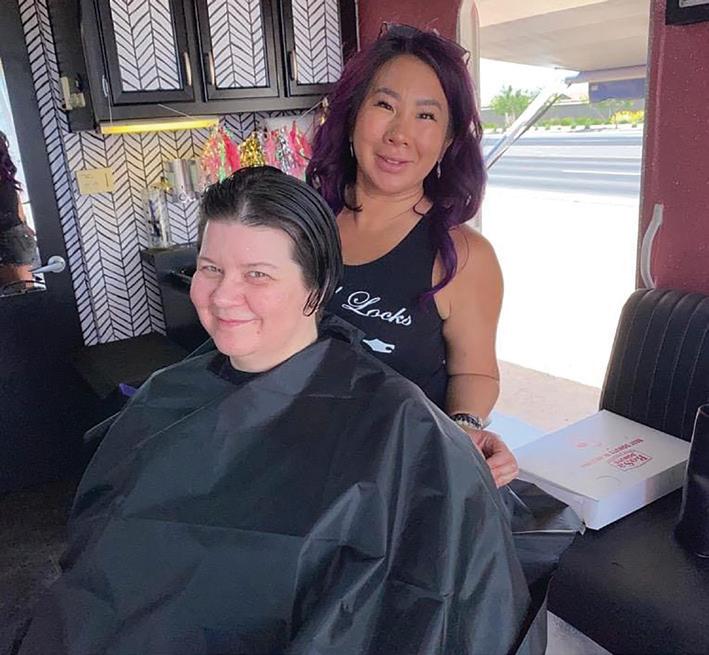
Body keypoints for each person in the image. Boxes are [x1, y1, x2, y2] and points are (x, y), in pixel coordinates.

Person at [16, 167, 537, 654]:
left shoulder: (398, 422)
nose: (224, 296)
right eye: (210, 268)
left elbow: (447, 607)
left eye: (258, 275)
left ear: (317, 287)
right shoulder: (167, 394)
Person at [307, 25, 517, 487]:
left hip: (399, 478)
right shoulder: (303, 226)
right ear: (352, 115)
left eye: (426, 116)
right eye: (385, 105)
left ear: (447, 141)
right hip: (303, 460)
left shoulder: (463, 256)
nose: (400, 134)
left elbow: (475, 370)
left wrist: (465, 428)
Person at [0, 130, 35, 290]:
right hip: (16, 236)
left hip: (12, 238)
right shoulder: (6, 177)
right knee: (21, 293)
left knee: (20, 293)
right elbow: (19, 211)